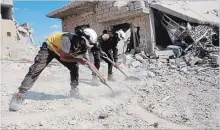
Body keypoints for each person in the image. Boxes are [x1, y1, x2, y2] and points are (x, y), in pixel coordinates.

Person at [9, 25, 98, 111]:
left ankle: (74, 90)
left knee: (74, 67)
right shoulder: (67, 39)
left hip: (60, 51)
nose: (86, 46)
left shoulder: (84, 45)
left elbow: (86, 59)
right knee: (36, 69)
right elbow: (63, 57)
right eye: (85, 44)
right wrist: (79, 60)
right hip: (49, 47)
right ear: (82, 39)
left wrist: (94, 70)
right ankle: (20, 94)